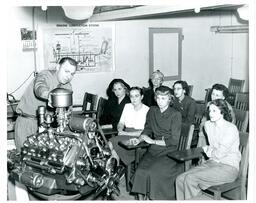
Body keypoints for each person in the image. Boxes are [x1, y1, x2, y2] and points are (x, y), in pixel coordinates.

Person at [175, 99, 241, 200]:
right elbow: (213, 149)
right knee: (180, 179)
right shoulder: (208, 125)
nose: (211, 114)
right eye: (210, 111)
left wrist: (210, 151)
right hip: (213, 163)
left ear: (222, 112)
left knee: (191, 179)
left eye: (214, 111)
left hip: (229, 167)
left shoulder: (230, 129)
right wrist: (210, 151)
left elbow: (218, 153)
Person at [15, 57, 78, 152]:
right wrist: (49, 96)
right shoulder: (45, 75)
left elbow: (68, 112)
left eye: (72, 74)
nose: (69, 76)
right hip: (27, 123)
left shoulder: (67, 86)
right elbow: (39, 88)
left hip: (47, 127)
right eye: (66, 71)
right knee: (24, 159)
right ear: (57, 67)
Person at [130, 86, 182, 200]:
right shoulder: (152, 110)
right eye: (158, 98)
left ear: (170, 99)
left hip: (170, 151)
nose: (160, 101)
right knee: (140, 172)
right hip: (154, 150)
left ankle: (156, 198)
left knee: (154, 173)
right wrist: (139, 139)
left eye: (163, 98)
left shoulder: (175, 114)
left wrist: (153, 141)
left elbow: (174, 140)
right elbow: (148, 128)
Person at [108, 86, 149, 166]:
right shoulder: (127, 106)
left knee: (112, 146)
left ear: (142, 97)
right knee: (110, 146)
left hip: (138, 140)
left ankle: (114, 171)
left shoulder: (147, 110)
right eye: (131, 96)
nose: (134, 99)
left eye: (136, 96)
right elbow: (121, 123)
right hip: (124, 135)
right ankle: (113, 171)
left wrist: (125, 133)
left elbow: (144, 132)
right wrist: (120, 130)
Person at [197, 83, 236, 147]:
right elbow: (204, 120)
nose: (214, 97)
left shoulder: (227, 109)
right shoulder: (209, 104)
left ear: (223, 97)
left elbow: (227, 129)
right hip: (208, 132)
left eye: (217, 95)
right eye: (213, 94)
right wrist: (201, 130)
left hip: (221, 138)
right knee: (202, 136)